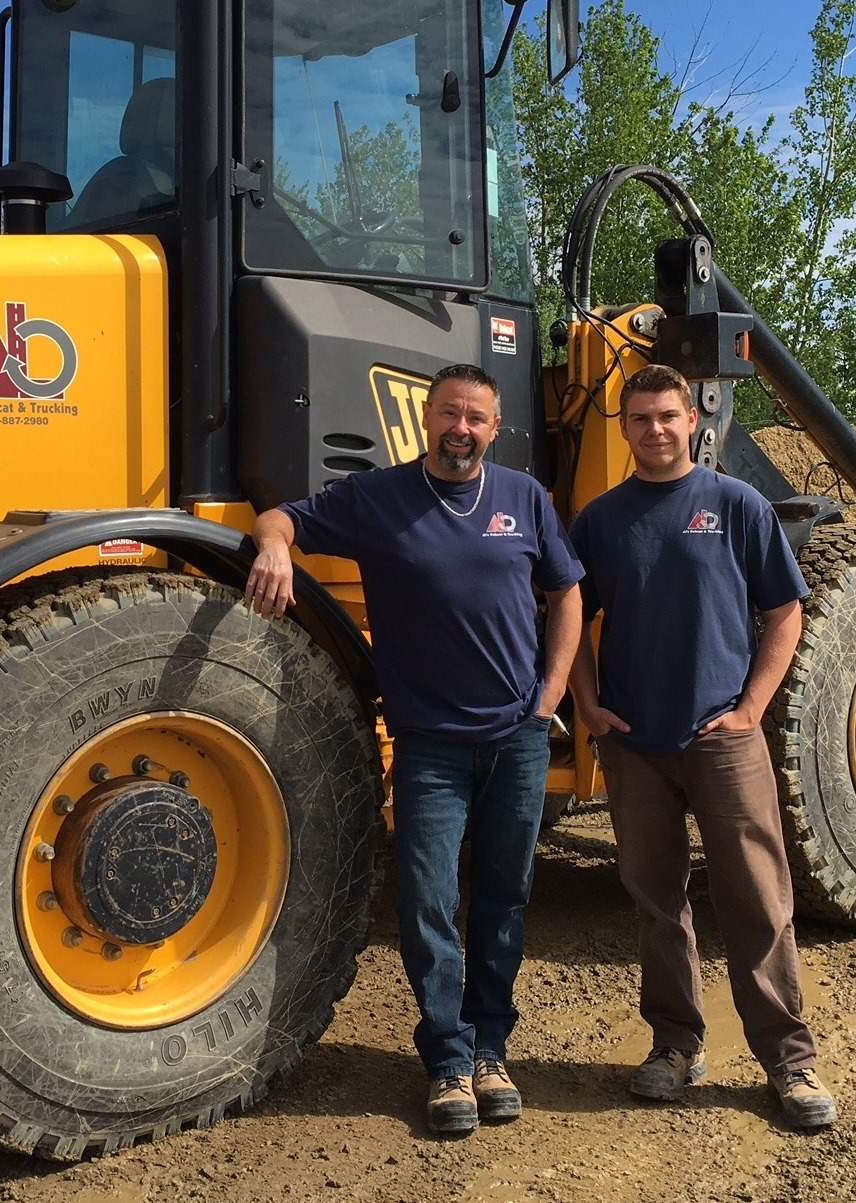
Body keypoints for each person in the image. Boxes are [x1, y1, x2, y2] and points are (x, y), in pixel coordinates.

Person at [246, 363, 584, 1135]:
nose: (460, 429)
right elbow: (280, 519)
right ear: (426, 420)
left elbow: (566, 588)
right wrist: (270, 549)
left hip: (517, 739)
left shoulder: (524, 498)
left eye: (476, 419)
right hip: (430, 745)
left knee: (503, 898)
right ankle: (446, 1061)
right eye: (449, 415)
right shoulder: (378, 499)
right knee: (428, 902)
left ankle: (490, 1048)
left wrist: (553, 687)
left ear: (494, 429)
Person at [567, 363, 836, 1129]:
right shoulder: (602, 519)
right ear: (624, 427)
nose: (654, 429)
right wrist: (586, 701)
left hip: (721, 737)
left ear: (693, 420)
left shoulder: (736, 505)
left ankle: (788, 1060)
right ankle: (675, 1044)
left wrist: (751, 707)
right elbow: (570, 616)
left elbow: (784, 613)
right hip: (634, 743)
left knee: (757, 899)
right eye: (639, 418)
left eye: (666, 415)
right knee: (657, 902)